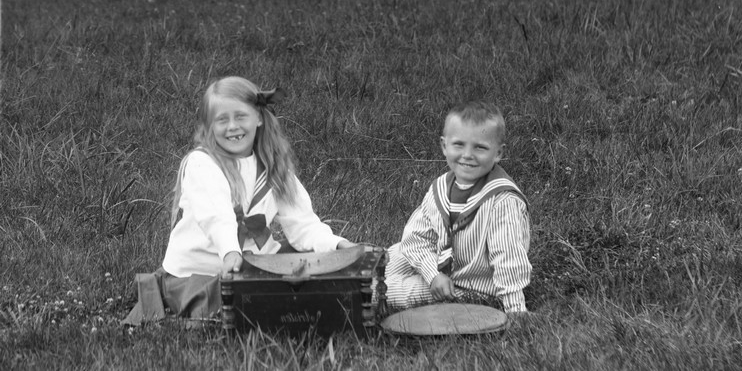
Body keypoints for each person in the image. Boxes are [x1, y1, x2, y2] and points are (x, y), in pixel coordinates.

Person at [123, 76, 357, 325]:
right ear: (209, 126)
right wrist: (230, 252)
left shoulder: (273, 165)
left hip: (256, 262)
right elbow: (217, 216)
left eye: (241, 116)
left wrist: (337, 244)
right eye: (222, 119)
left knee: (312, 263)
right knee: (237, 300)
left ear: (259, 118)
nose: (232, 126)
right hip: (204, 270)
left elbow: (302, 223)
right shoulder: (202, 163)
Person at [384, 100, 531, 313]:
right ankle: (360, 276)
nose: (467, 155)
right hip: (443, 265)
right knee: (390, 257)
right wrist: (432, 274)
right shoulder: (441, 187)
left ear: (498, 153)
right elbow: (416, 238)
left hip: (470, 285)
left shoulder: (502, 200)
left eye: (480, 147)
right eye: (459, 144)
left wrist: (515, 309)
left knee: (386, 289)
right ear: (444, 146)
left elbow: (508, 258)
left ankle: (370, 292)